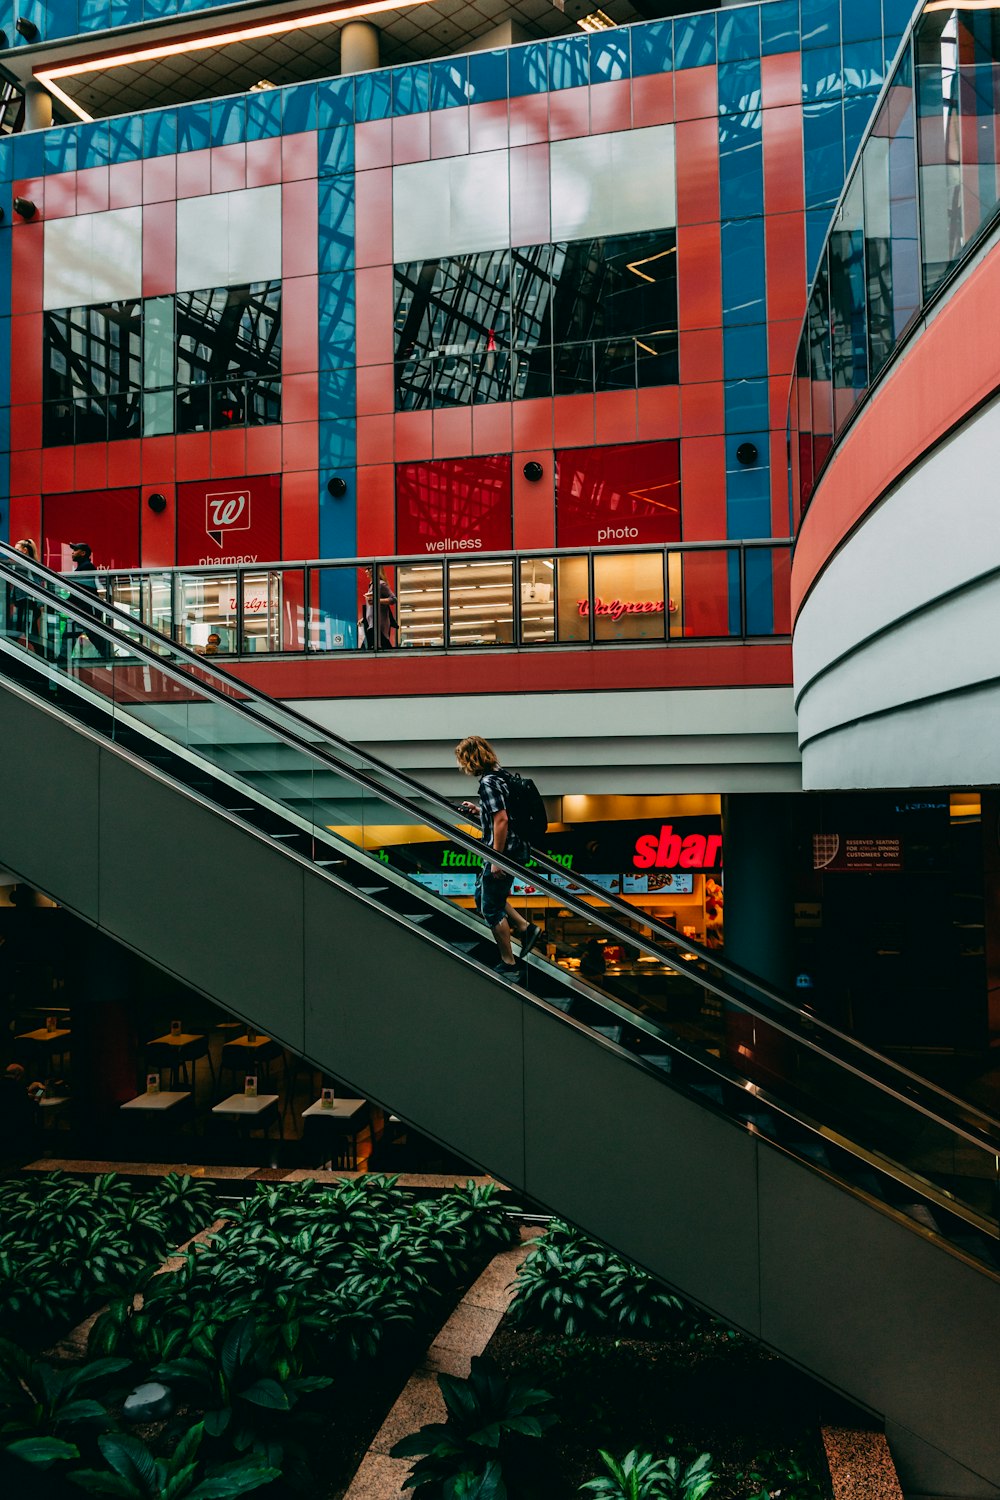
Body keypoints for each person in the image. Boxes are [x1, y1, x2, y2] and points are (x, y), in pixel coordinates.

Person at [455, 735, 541, 977]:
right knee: (484, 894)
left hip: (505, 852)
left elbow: (502, 820)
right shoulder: (502, 776)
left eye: (463, 760)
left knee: (490, 908)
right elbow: (504, 814)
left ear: (471, 759)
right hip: (516, 847)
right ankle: (525, 927)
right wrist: (480, 811)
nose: (462, 766)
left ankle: (508, 961)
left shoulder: (488, 783)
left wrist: (496, 859)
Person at [64, 541, 109, 661]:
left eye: (75, 550)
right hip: (84, 610)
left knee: (71, 638)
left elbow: (80, 591)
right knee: (95, 639)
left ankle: (62, 661)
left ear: (83, 553)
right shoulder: (83, 567)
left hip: (86, 611)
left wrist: (65, 601)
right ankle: (108, 658)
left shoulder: (86, 567)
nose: (72, 553)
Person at [8, 538, 42, 651]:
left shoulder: (28, 566)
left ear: (25, 550)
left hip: (28, 604)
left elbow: (35, 585)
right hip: (23, 604)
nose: (14, 551)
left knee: (25, 634)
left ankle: (41, 656)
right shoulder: (23, 565)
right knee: (27, 634)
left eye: (17, 549)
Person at [359, 568, 397, 650]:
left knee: (367, 649)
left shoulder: (380, 584)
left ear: (374, 571)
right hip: (372, 625)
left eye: (368, 569)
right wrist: (364, 618)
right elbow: (372, 607)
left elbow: (394, 599)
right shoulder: (372, 586)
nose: (366, 571)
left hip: (378, 626)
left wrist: (377, 600)